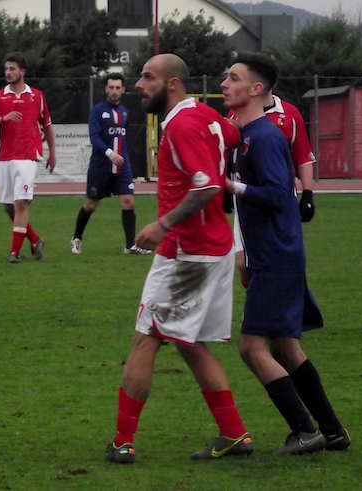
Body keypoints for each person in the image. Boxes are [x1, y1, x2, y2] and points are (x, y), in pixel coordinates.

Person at [105, 53, 253, 464]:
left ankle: (123, 441)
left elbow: (206, 188)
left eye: (148, 78)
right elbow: (234, 136)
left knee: (144, 339)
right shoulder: (203, 116)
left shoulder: (185, 124)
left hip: (186, 253)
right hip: (214, 248)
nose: (138, 84)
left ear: (172, 85)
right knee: (188, 345)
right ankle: (235, 434)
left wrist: (162, 225)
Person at [222, 51, 350, 455]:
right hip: (274, 257)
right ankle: (332, 431)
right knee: (286, 347)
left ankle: (304, 430)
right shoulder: (245, 136)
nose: (224, 84)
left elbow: (281, 195)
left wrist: (233, 188)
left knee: (250, 348)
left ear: (255, 89)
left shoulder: (265, 137)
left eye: (233, 77)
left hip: (278, 258)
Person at [230, 91, 317, 287]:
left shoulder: (290, 114)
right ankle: (258, 297)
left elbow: (303, 157)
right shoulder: (236, 113)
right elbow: (230, 151)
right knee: (243, 262)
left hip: (279, 197)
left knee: (279, 259)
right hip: (246, 197)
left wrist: (308, 194)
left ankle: (278, 302)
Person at [0, 52, 56, 263]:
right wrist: (3, 118)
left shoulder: (37, 96)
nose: (8, 72)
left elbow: (47, 126)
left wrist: (52, 153)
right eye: (6, 69)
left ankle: (14, 252)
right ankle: (34, 240)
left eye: (12, 69)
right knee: (8, 206)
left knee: (20, 202)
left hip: (28, 155)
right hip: (5, 156)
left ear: (22, 72)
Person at [71, 73, 151, 255]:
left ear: (123, 90)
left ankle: (130, 245)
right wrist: (109, 153)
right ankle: (76, 238)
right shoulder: (98, 111)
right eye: (111, 87)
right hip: (101, 167)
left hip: (122, 166)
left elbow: (123, 137)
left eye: (118, 88)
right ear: (106, 89)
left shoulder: (124, 111)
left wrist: (121, 156)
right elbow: (94, 137)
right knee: (91, 205)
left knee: (128, 201)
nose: (114, 91)